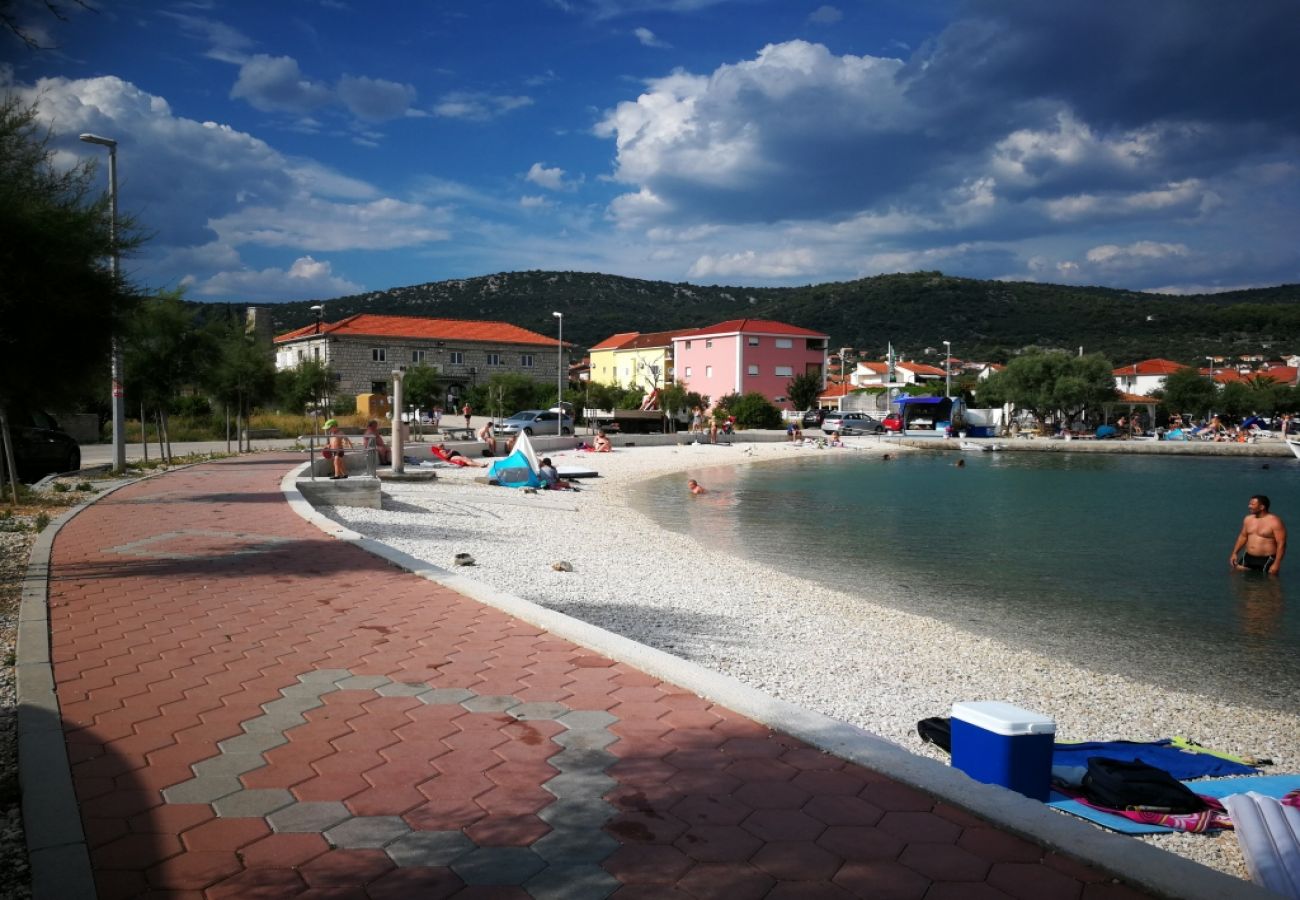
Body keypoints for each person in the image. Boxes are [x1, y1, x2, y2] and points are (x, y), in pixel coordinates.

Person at [1231, 494, 1286, 575]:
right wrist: (1234, 553)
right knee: (1237, 577)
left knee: (1268, 582)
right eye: (1249, 504)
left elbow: (1281, 544)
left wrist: (1277, 563)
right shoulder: (1248, 519)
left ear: (1261, 507)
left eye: (1252, 504)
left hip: (1266, 559)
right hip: (1248, 557)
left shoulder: (1275, 522)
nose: (1249, 506)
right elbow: (1243, 537)